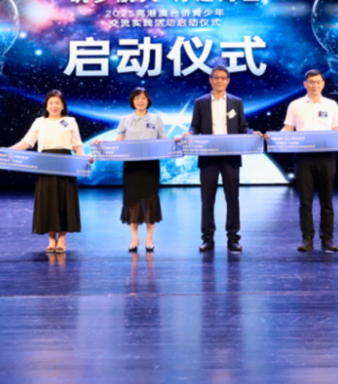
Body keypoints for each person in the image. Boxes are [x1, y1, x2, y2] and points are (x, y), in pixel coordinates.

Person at [182, 65, 255, 252]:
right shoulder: (201, 102)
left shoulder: (236, 102)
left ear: (228, 81)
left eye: (223, 78)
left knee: (233, 200)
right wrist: (189, 134)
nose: (219, 81)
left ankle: (233, 239)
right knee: (207, 200)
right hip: (208, 157)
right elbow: (195, 126)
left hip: (230, 157)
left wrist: (252, 133)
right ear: (210, 80)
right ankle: (207, 239)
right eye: (216, 77)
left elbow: (242, 127)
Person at [274, 69, 338, 253]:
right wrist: (272, 137)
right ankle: (307, 238)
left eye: (318, 82)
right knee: (305, 201)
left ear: (323, 84)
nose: (315, 85)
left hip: (326, 156)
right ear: (305, 84)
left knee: (326, 200)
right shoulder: (295, 105)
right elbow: (287, 130)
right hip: (303, 157)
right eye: (311, 82)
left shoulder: (331, 105)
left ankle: (327, 239)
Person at [10, 90, 89, 253]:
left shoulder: (70, 121)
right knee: (48, 201)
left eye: (57, 103)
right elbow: (26, 142)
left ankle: (62, 238)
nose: (54, 106)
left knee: (65, 200)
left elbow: (77, 146)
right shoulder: (39, 122)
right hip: (45, 165)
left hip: (65, 164)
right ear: (46, 105)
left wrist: (85, 158)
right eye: (51, 103)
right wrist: (7, 151)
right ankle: (51, 239)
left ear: (63, 105)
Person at [93, 87, 166, 252]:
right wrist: (104, 143)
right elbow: (118, 142)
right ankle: (134, 238)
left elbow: (163, 141)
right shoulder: (125, 119)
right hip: (131, 166)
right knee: (133, 201)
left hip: (150, 165)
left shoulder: (156, 119)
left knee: (150, 201)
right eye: (137, 98)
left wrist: (174, 142)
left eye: (143, 98)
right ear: (132, 101)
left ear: (148, 100)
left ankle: (149, 238)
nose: (140, 101)